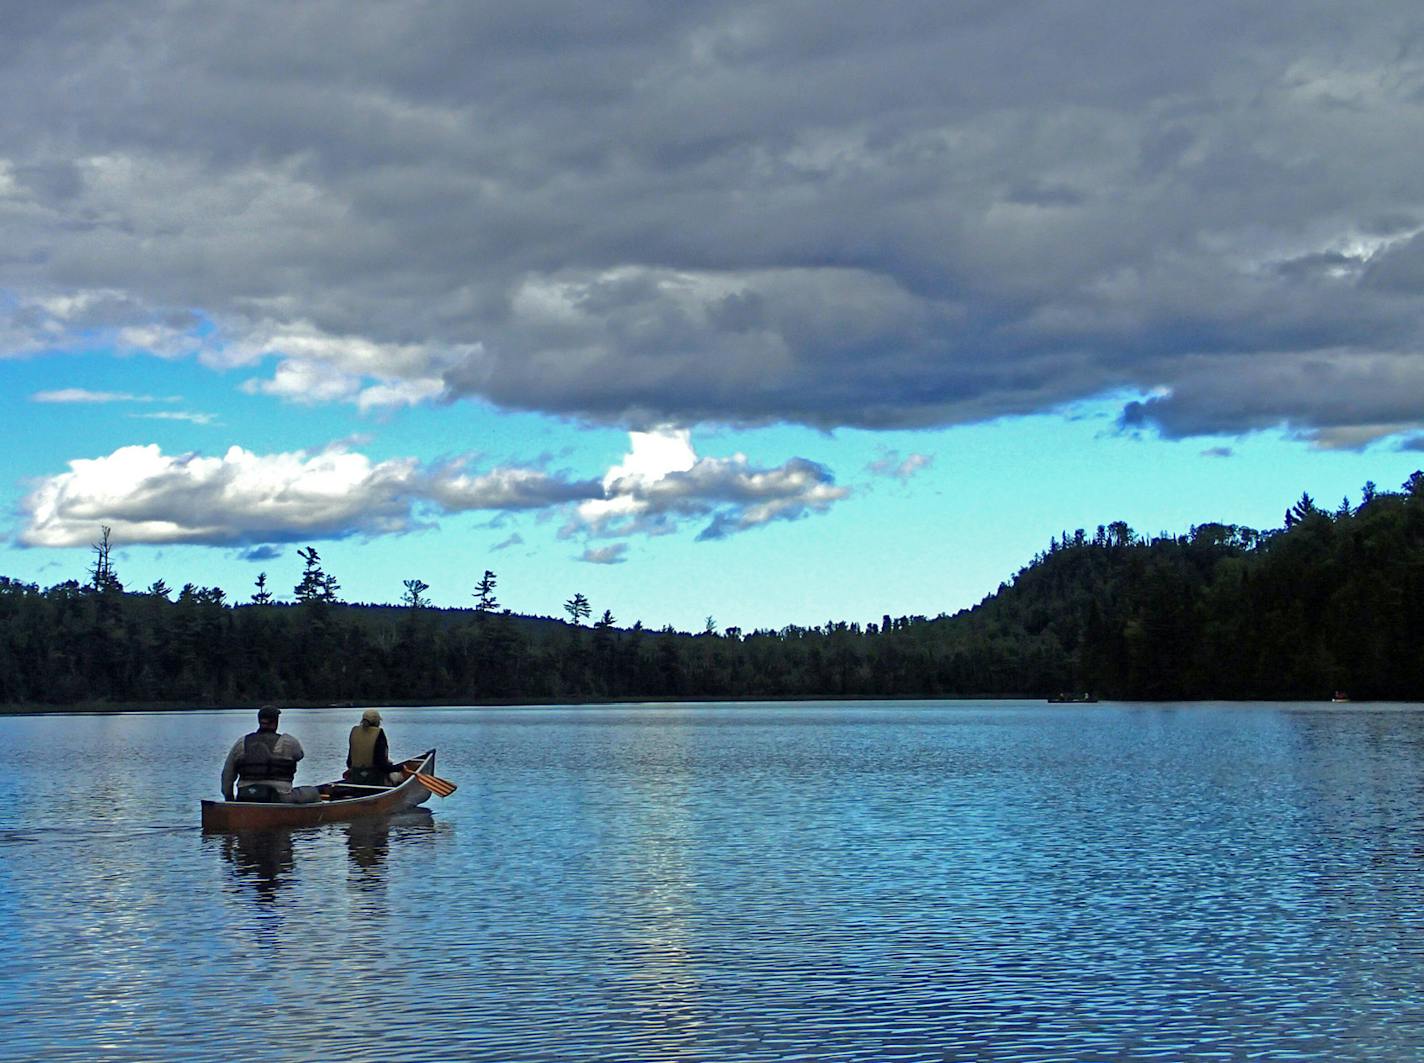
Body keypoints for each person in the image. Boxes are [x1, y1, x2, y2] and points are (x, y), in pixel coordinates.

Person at [221, 705, 321, 803]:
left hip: (245, 795)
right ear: (276, 722)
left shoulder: (241, 743)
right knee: (314, 792)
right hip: (280, 797)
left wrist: (229, 799)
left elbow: (227, 774)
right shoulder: (288, 741)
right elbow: (299, 755)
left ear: (259, 721)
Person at [346, 708, 405, 786]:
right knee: (399, 777)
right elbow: (382, 767)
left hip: (356, 778)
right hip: (374, 781)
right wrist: (401, 767)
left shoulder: (354, 732)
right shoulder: (378, 734)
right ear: (377, 721)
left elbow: (349, 763)